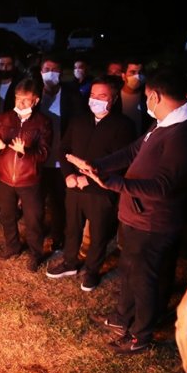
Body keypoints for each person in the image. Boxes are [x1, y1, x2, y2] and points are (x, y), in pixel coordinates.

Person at [69, 69, 187, 354]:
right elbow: (133, 151)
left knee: (145, 278)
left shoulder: (184, 134)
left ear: (155, 95)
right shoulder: (164, 124)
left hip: (153, 222)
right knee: (129, 268)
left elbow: (162, 186)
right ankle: (124, 316)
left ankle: (140, 334)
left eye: (147, 98)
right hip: (135, 216)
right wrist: (99, 165)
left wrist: (110, 182)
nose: (147, 103)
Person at [47, 75, 135, 290]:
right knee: (73, 227)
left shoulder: (123, 125)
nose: (95, 99)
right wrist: (69, 175)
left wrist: (90, 179)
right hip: (74, 186)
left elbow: (122, 161)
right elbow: (63, 149)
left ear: (113, 99)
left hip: (101, 190)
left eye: (102, 95)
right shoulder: (79, 120)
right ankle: (70, 262)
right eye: (93, 95)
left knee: (98, 232)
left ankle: (92, 271)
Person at [0, 78, 52, 270]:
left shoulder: (42, 123)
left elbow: (44, 154)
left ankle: (35, 253)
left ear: (36, 100)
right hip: (5, 177)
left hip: (29, 179)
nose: (20, 104)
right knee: (7, 215)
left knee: (33, 219)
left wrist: (25, 152)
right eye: (17, 99)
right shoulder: (5, 118)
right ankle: (12, 246)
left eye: (25, 100)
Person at [37, 54, 84, 254]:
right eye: (47, 69)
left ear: (62, 73)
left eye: (55, 70)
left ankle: (58, 237)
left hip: (60, 162)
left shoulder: (72, 98)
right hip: (37, 160)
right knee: (36, 202)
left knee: (58, 202)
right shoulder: (33, 96)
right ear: (40, 72)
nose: (50, 74)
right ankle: (36, 236)